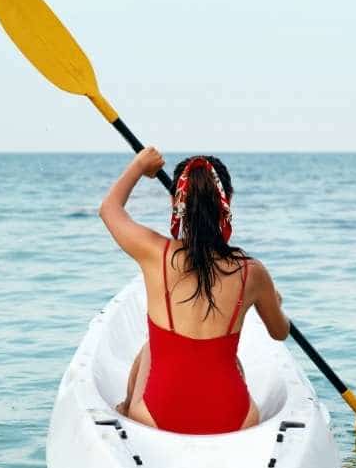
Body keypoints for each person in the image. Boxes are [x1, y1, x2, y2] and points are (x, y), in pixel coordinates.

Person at [99, 147, 289, 434]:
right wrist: (275, 302)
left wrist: (140, 165)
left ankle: (126, 409)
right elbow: (279, 332)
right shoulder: (253, 272)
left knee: (151, 347)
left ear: (176, 203)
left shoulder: (155, 252)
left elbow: (109, 209)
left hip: (158, 416)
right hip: (234, 418)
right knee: (228, 360)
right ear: (228, 202)